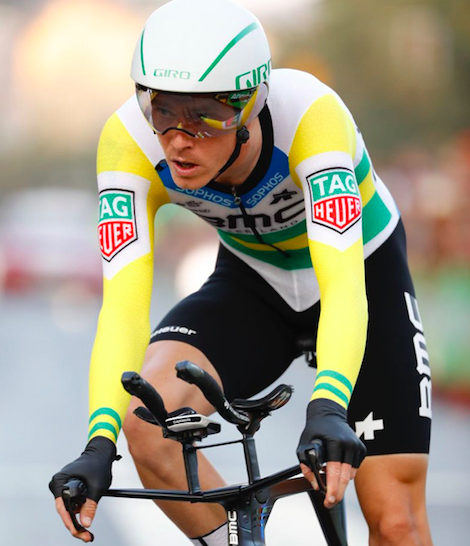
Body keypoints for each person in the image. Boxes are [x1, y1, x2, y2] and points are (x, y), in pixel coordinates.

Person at [49, 0, 434, 544]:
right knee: (145, 426)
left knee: (395, 520)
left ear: (251, 106)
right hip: (253, 280)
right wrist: (97, 445)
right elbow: (123, 307)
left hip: (361, 269)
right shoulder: (127, 142)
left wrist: (327, 405)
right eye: (162, 109)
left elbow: (344, 286)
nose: (179, 136)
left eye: (204, 114)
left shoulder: (311, 115)